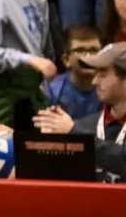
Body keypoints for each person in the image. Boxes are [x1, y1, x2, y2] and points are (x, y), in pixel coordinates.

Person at [33, 43, 126, 182]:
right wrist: (52, 143)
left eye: (103, 74)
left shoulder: (78, 130)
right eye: (95, 74)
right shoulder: (87, 125)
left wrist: (74, 133)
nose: (94, 81)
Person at [45, 24, 103, 119]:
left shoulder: (111, 89)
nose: (88, 57)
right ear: (66, 59)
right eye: (80, 50)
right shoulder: (52, 91)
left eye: (94, 50)